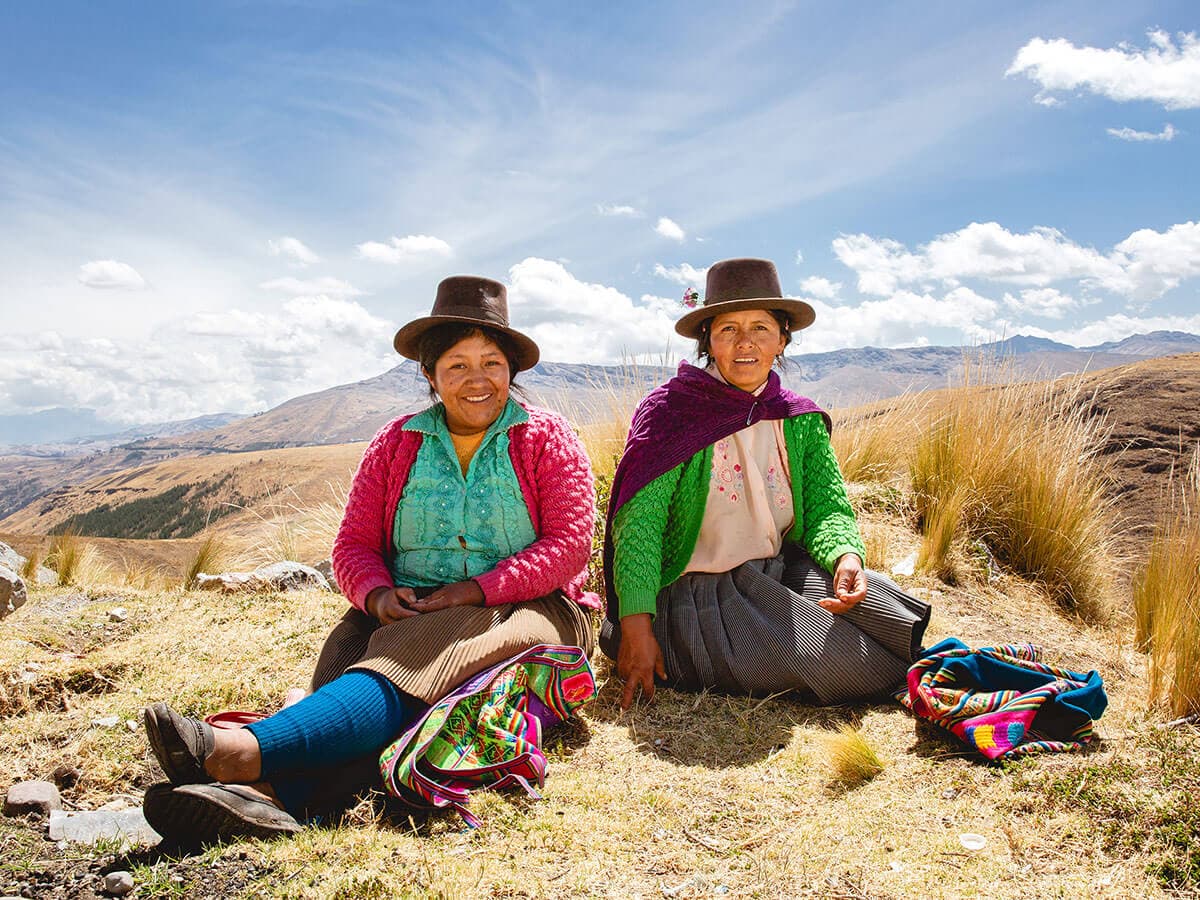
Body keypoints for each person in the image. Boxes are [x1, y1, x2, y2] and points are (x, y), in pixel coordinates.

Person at [142, 275, 599, 843]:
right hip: (407, 605)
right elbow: (354, 545)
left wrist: (475, 590)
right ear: (430, 375)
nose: (477, 380)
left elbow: (569, 544)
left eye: (492, 363)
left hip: (531, 609)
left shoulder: (545, 438)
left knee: (413, 659)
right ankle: (277, 798)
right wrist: (378, 594)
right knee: (348, 655)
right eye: (457, 365)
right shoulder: (396, 443)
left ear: (512, 370)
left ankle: (238, 753)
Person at [601, 257, 930, 711]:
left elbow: (827, 508)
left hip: (778, 570)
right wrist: (636, 627)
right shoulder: (672, 414)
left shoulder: (798, 417)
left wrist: (845, 556)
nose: (744, 343)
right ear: (709, 343)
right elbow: (639, 525)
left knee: (884, 615)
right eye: (728, 330)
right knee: (847, 660)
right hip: (696, 591)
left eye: (760, 328)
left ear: (782, 339)